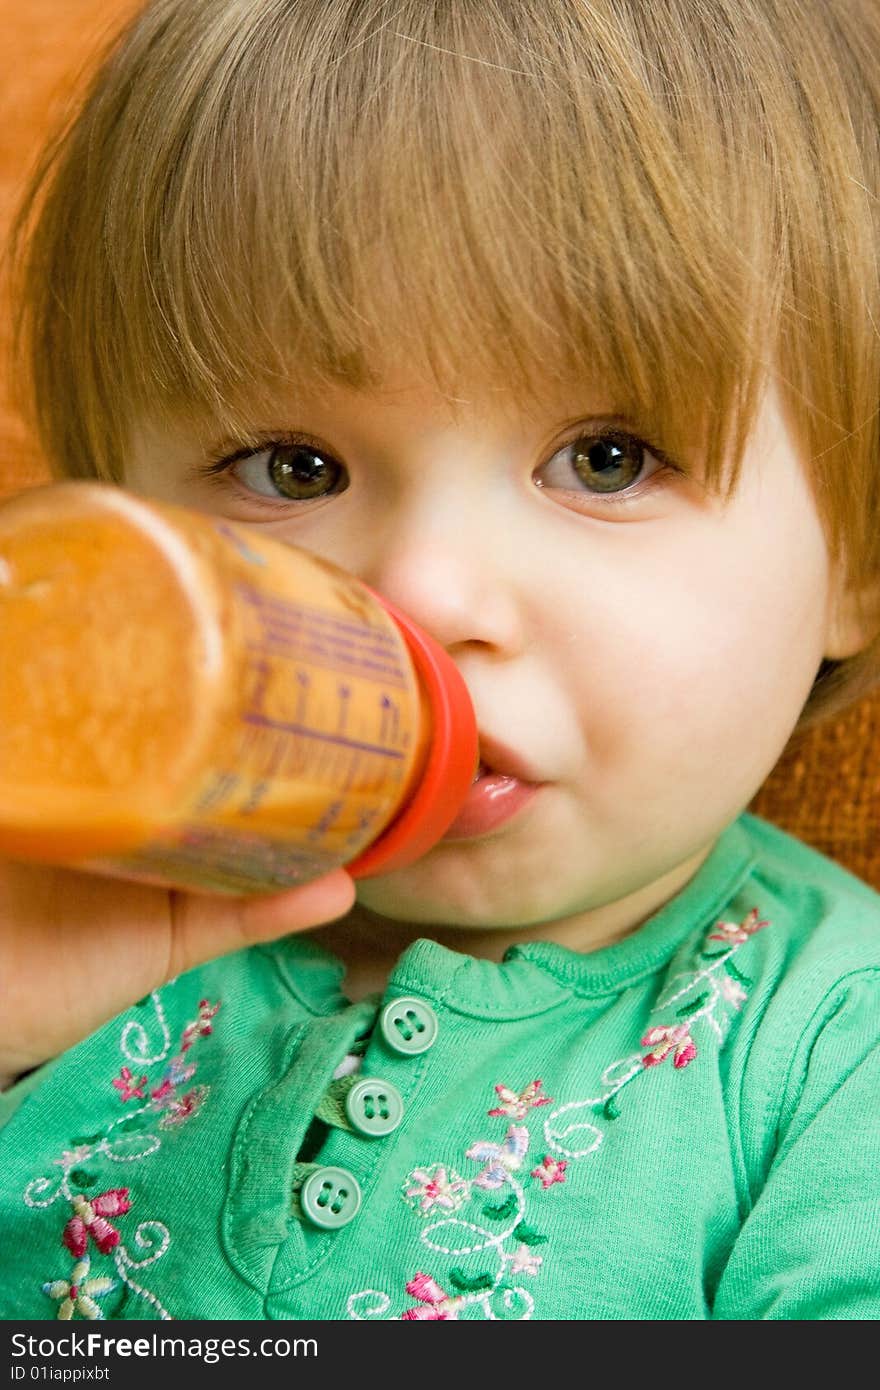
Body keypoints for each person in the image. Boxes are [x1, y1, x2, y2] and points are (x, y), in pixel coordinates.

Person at [1, 0, 879, 1322]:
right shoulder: (49, 919)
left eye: (606, 459)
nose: (417, 595)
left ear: (856, 558)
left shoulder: (834, 1055)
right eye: (293, 467)